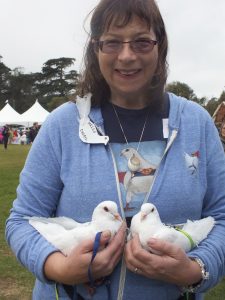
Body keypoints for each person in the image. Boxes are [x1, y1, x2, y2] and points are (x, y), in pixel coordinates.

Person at [5, 1, 225, 300]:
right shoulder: (62, 125)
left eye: (141, 41)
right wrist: (59, 267)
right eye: (111, 42)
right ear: (95, 50)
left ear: (160, 46)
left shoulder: (196, 123)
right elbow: (23, 221)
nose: (127, 55)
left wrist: (195, 270)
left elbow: (221, 217)